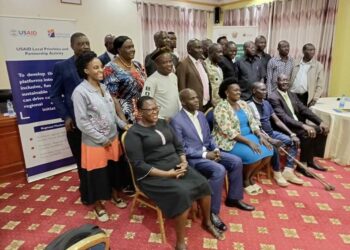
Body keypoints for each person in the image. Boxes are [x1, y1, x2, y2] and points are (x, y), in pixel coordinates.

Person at [124, 96, 224, 250]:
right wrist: (167, 174)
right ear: (140, 112)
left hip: (176, 166)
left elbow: (178, 146)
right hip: (152, 176)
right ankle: (180, 243)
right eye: (149, 109)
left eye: (156, 108)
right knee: (182, 193)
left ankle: (207, 222)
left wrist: (183, 161)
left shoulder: (164, 123)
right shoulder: (134, 134)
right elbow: (138, 164)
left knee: (203, 183)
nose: (154, 112)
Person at [171, 88, 254, 231]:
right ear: (183, 102)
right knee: (219, 170)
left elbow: (210, 138)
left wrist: (215, 149)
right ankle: (211, 212)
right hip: (194, 159)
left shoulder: (202, 116)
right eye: (192, 98)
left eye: (197, 97)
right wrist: (204, 155)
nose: (197, 100)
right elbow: (181, 148)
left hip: (209, 152)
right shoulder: (176, 120)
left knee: (236, 161)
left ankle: (233, 198)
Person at [72, 51, 129, 222]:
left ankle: (113, 195)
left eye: (101, 66)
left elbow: (112, 114)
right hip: (95, 144)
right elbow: (82, 123)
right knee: (97, 176)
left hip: (112, 140)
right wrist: (101, 139)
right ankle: (98, 205)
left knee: (112, 170)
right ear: (86, 70)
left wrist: (122, 124)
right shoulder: (80, 92)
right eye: (95, 67)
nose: (100, 70)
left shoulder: (104, 87)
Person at [212, 78, 273, 195]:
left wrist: (260, 135)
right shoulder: (221, 108)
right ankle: (244, 180)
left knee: (269, 152)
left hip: (249, 135)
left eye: (239, 90)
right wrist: (249, 142)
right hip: (229, 141)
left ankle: (251, 177)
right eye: (235, 90)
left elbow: (253, 122)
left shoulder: (243, 104)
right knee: (254, 155)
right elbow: (229, 132)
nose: (239, 93)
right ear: (227, 93)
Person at [50, 32, 90, 203]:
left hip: (95, 122)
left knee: (97, 158)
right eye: (80, 43)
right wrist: (65, 116)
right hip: (74, 122)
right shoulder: (62, 67)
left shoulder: (96, 64)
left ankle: (103, 189)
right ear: (72, 46)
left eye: (87, 43)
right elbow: (55, 95)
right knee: (81, 159)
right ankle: (87, 192)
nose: (85, 46)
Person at [268, 74, 329, 174]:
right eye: (282, 80)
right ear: (277, 82)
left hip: (296, 124)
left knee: (322, 129)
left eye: (286, 80)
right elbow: (284, 117)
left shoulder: (291, 94)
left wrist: (320, 122)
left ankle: (310, 160)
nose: (285, 82)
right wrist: (303, 125)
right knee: (307, 133)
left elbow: (304, 109)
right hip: (285, 127)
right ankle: (302, 164)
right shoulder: (273, 97)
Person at [248, 82, 305, 185]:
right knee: (272, 147)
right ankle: (277, 173)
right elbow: (252, 127)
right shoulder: (248, 105)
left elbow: (277, 120)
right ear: (254, 91)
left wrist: (291, 133)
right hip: (259, 135)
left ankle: (288, 170)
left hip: (272, 133)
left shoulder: (266, 103)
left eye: (265, 89)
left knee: (293, 141)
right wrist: (269, 139)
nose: (265, 92)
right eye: (262, 90)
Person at [103, 36, 146, 124]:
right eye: (128, 47)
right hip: (126, 113)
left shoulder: (137, 65)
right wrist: (123, 121)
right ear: (118, 50)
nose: (132, 49)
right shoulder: (110, 68)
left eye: (132, 46)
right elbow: (113, 97)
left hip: (143, 111)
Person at [141, 49, 181, 120]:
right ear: (157, 64)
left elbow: (176, 97)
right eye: (165, 62)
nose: (169, 64)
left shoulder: (173, 76)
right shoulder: (151, 81)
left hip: (176, 119)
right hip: (162, 121)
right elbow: (145, 104)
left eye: (170, 61)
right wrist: (159, 118)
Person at [176, 39, 210, 111]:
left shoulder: (202, 62)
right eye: (197, 48)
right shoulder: (183, 64)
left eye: (201, 47)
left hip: (206, 104)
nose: (201, 50)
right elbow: (181, 88)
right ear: (189, 50)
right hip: (192, 106)